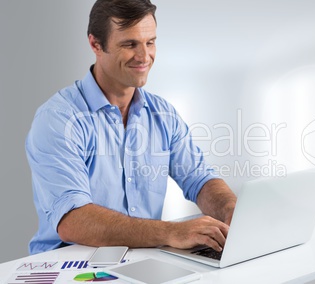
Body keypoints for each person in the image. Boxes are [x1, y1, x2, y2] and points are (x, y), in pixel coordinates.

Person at [25, 0, 237, 255]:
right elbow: (73, 220)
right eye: (130, 44)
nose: (144, 56)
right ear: (95, 44)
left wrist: (230, 210)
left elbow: (200, 179)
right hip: (69, 265)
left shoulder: (163, 115)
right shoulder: (59, 118)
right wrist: (172, 232)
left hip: (141, 259)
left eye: (150, 42)